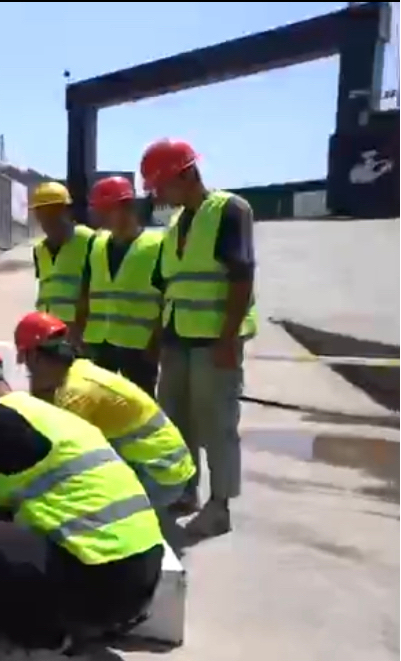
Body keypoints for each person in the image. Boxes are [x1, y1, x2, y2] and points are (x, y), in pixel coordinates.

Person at [0, 342, 164, 654]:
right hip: (142, 579)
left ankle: (39, 643)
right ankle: (67, 629)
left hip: (98, 584)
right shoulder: (47, 414)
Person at [140, 138, 258, 536]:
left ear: (187, 174)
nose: (158, 196)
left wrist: (227, 339)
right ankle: (185, 491)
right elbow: (168, 287)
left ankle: (219, 506)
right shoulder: (175, 225)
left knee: (216, 424)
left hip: (213, 341)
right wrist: (158, 338)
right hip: (178, 340)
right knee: (176, 422)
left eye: (161, 185)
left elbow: (241, 277)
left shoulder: (229, 210)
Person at [13, 311, 196, 509]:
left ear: (35, 357)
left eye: (27, 361)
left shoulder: (76, 392)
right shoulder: (77, 370)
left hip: (159, 477)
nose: (28, 371)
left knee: (60, 489)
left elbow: (54, 454)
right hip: (164, 468)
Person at [79, 176, 165, 395]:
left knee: (140, 405)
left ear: (127, 208)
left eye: (106, 210)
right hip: (99, 343)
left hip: (139, 347)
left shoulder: (156, 245)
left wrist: (156, 343)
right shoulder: (96, 244)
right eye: (99, 210)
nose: (100, 217)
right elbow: (85, 293)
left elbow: (166, 299)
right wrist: (79, 335)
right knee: (97, 402)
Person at [30, 181, 96, 339]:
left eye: (54, 212)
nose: (48, 219)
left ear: (67, 211)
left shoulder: (89, 240)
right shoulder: (40, 250)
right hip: (48, 332)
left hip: (81, 332)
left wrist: (80, 328)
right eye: (42, 213)